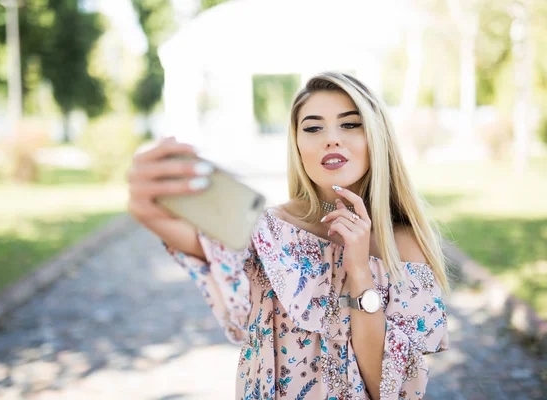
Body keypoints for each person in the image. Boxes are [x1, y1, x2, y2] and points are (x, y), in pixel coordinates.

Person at [127, 71, 451, 400]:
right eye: (312, 127)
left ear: (376, 136)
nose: (331, 139)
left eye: (350, 124)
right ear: (297, 143)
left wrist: (360, 271)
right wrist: (151, 203)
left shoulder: (406, 245)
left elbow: (391, 392)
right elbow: (201, 244)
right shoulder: (270, 230)